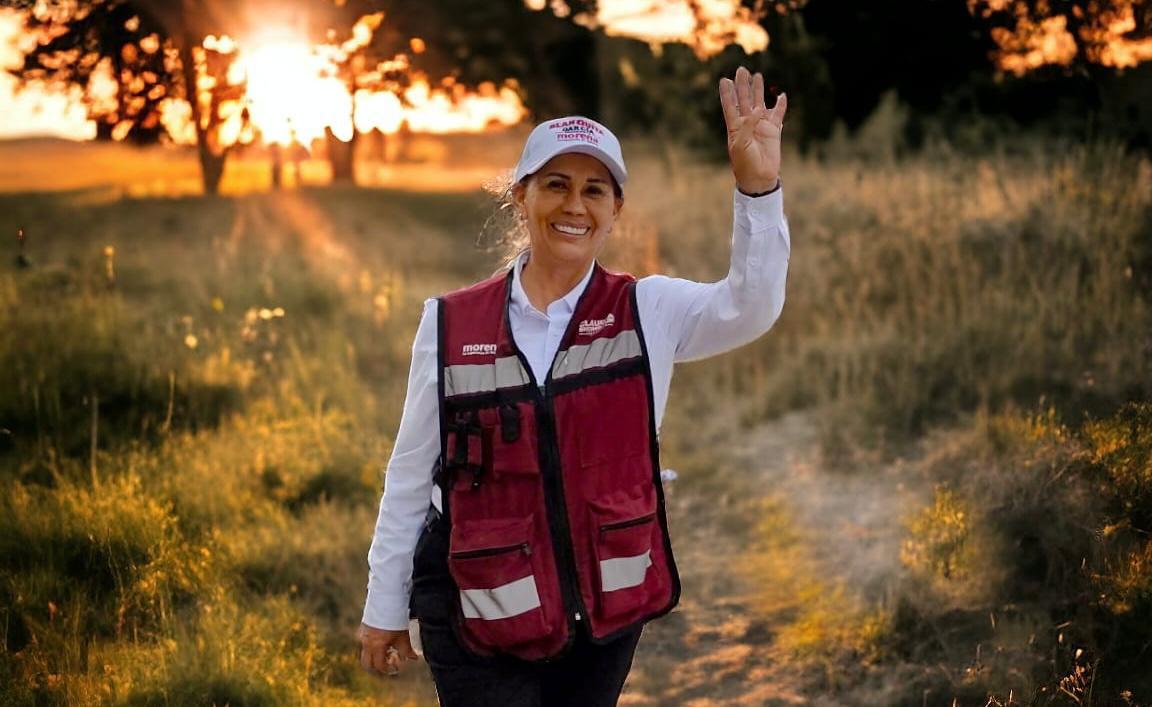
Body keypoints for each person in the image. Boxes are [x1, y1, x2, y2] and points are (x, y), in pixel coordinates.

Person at [358, 66, 790, 706]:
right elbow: (411, 471)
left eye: (595, 190)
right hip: (475, 602)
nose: (574, 205)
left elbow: (751, 306)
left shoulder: (650, 309)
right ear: (520, 197)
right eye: (555, 185)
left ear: (615, 211)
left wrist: (758, 192)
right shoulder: (447, 322)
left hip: (603, 609)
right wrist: (383, 605)